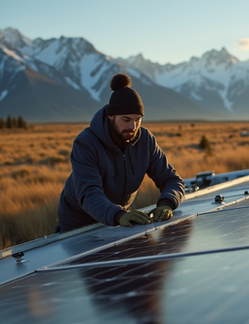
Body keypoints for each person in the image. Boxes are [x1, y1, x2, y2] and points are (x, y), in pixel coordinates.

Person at [56, 73, 184, 232]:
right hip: (78, 225)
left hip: (119, 219)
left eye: (137, 120)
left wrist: (167, 203)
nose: (133, 127)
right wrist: (118, 215)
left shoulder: (146, 141)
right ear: (110, 115)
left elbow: (172, 179)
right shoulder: (86, 144)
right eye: (126, 119)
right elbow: (89, 194)